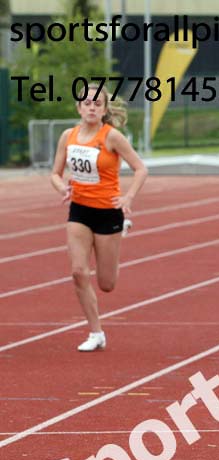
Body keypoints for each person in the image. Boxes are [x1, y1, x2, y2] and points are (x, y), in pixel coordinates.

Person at [50, 86, 148, 351]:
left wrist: (128, 198)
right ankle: (96, 333)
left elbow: (140, 169)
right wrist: (62, 188)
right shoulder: (67, 136)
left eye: (97, 104)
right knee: (78, 272)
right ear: (79, 108)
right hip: (79, 211)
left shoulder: (112, 137)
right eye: (87, 103)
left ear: (104, 110)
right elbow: (55, 173)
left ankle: (122, 227)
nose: (91, 107)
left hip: (107, 212)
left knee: (106, 284)